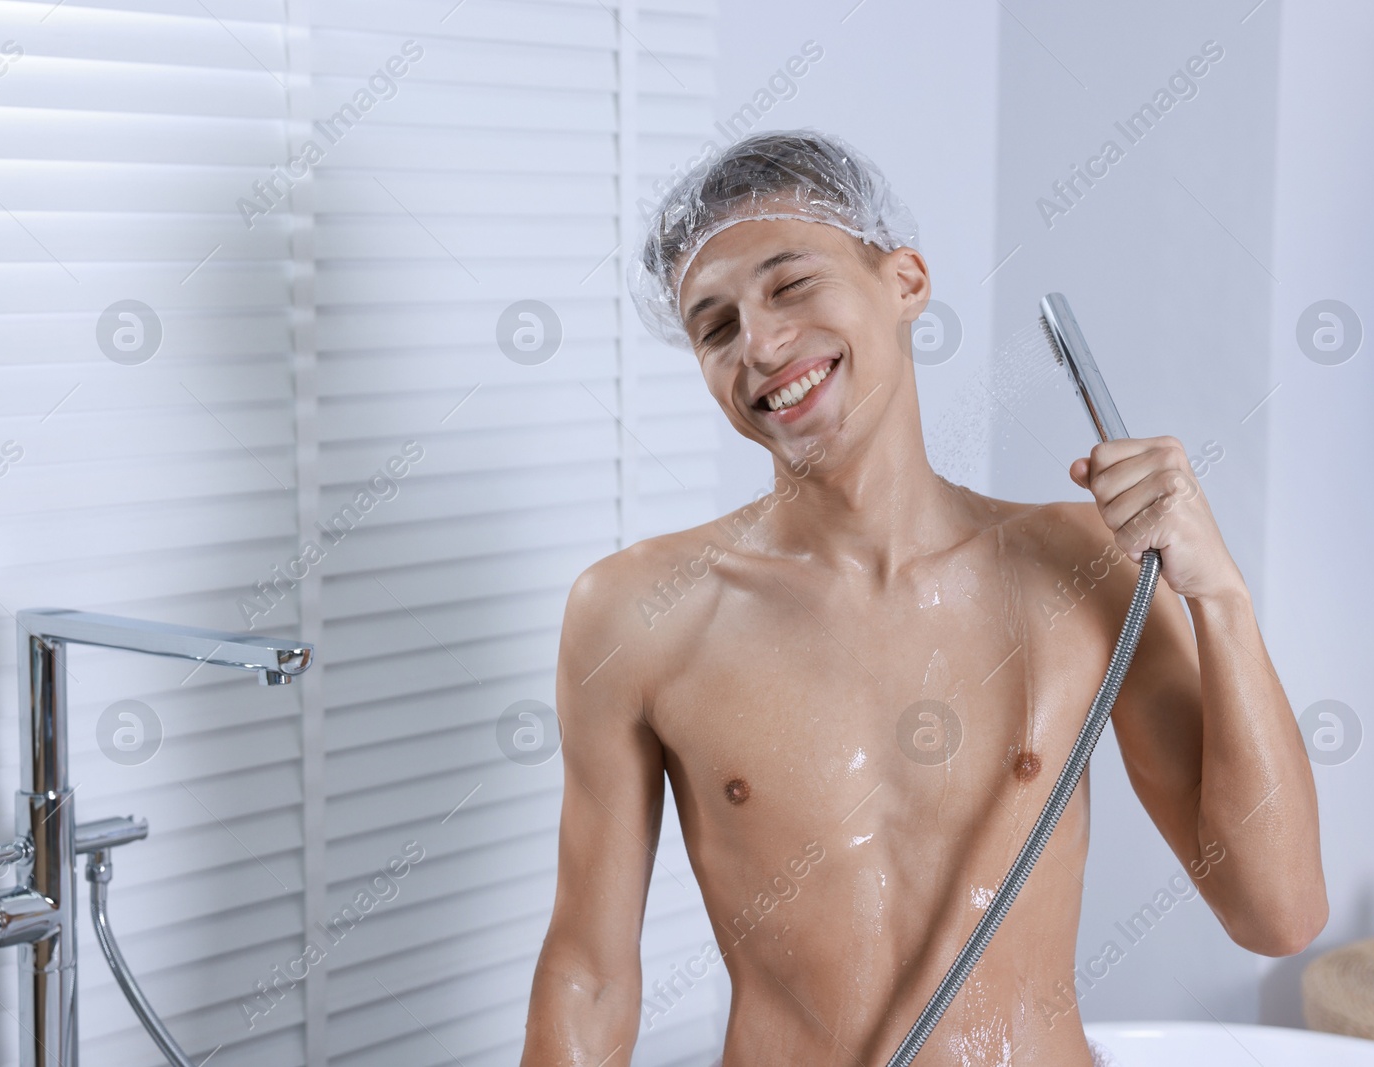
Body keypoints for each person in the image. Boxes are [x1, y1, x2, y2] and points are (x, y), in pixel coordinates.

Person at [519, 129, 1327, 1066]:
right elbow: (590, 972)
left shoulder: (1084, 566)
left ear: (905, 282)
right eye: (716, 326)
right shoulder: (635, 615)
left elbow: (1277, 911)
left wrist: (1218, 596)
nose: (762, 344)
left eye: (791, 285)